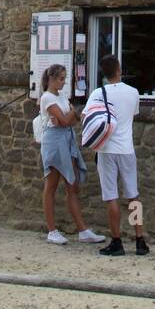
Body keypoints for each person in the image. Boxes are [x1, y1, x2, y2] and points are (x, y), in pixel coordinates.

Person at [85, 54, 149, 257]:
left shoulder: (97, 93)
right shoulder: (133, 93)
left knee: (111, 195)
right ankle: (139, 239)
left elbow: (87, 116)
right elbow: (132, 114)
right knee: (133, 195)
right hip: (127, 148)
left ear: (103, 72)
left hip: (106, 148)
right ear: (119, 69)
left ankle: (117, 240)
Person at [39, 63, 104, 246]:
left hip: (66, 140)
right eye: (61, 78)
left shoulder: (61, 96)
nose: (63, 82)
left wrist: (68, 118)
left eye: (64, 78)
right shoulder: (46, 97)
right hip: (54, 142)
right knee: (51, 185)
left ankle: (83, 230)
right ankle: (52, 231)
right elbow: (67, 119)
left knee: (72, 184)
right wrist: (71, 116)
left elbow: (67, 120)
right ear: (51, 79)